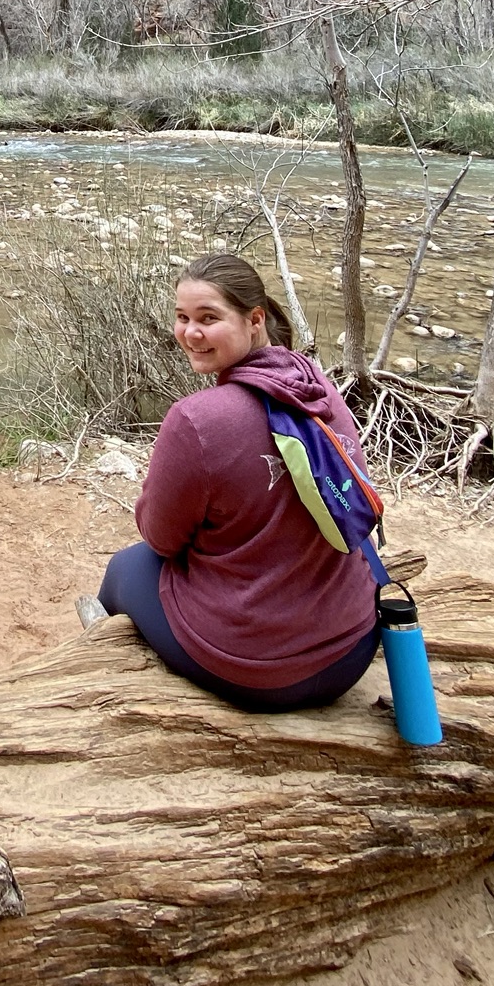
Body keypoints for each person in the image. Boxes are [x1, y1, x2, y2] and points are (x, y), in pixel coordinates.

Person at [79, 252, 379, 713]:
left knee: (127, 566)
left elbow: (161, 538)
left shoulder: (196, 421)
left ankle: (102, 682)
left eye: (208, 318)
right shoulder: (315, 385)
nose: (190, 333)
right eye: (182, 317)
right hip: (351, 651)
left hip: (261, 675)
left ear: (254, 320)